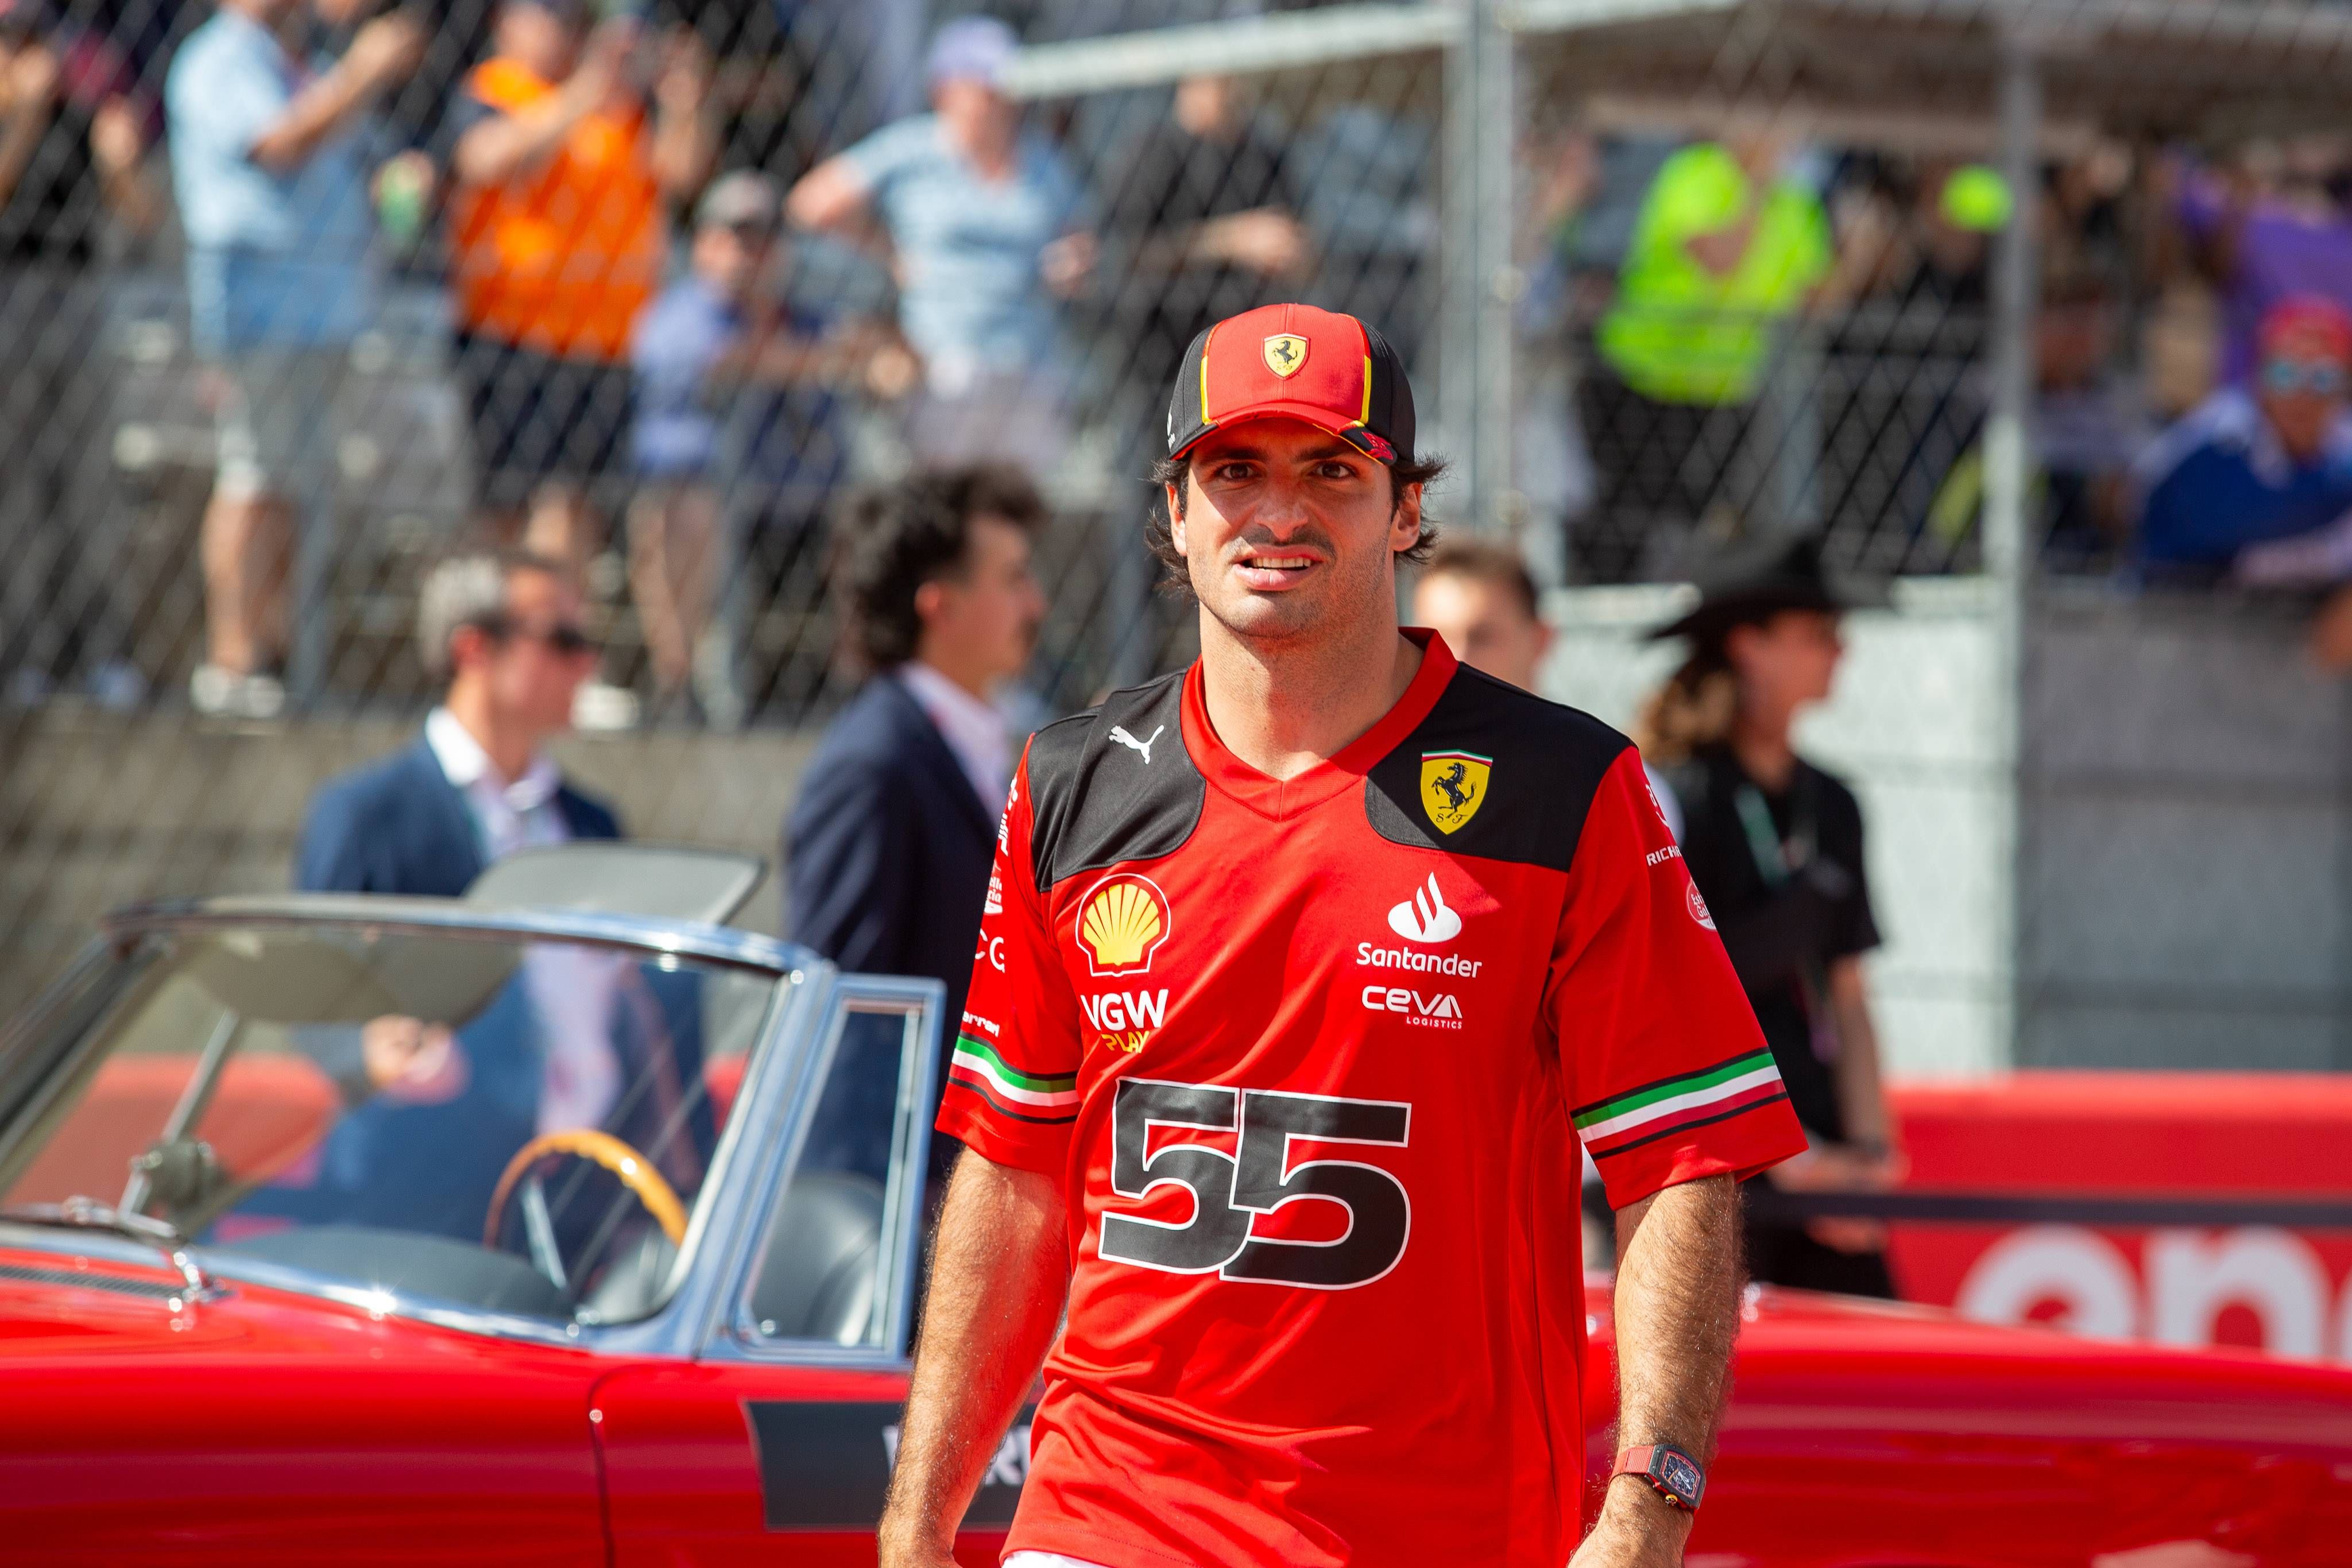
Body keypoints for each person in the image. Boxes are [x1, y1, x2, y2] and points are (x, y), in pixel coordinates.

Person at [878, 303, 1806, 1568]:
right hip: (1110, 1516)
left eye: (1331, 472)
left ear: (1407, 511)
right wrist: (916, 1519)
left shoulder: (1565, 790)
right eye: (1233, 471)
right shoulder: (1070, 783)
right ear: (1175, 511)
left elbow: (1677, 1163)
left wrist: (1648, 1505)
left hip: (1441, 1533)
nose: (1278, 512)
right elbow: (1014, 1173)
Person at [1634, 532, 1897, 1299]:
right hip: (1706, 1163)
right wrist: (1792, 1157)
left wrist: (1869, 1158)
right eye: (1819, 631)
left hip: (1821, 1168)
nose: (1841, 650)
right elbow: (1662, 1002)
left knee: (1876, 1353)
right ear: (1748, 645)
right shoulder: (1673, 796)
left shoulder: (1833, 802)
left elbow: (1848, 993)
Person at [444, 0, 713, 723]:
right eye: (549, 13)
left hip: (604, 340)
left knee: (576, 509)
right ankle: (509, 660)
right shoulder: (496, 89)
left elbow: (678, 175)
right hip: (514, 333)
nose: (564, 28)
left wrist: (684, 102)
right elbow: (485, 160)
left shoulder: (616, 105)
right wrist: (588, 90)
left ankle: (554, 662)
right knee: (512, 515)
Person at [783, 466, 1045, 1178]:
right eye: (1013, 578)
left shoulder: (970, 742)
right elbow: (842, 1011)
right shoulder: (873, 764)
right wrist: (861, 1213)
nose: (1036, 602)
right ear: (941, 606)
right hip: (899, 1186)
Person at [165, 0, 424, 717]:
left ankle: (274, 657)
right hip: (258, 312)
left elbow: (354, 154)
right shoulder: (217, 59)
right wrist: (363, 73)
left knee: (293, 484)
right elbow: (277, 143)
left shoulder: (302, 62)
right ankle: (232, 661)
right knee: (253, 475)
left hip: (325, 311)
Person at [629, 169, 912, 720]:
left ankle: (859, 692)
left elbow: (882, 359)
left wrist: (867, 358)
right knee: (681, 513)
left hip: (807, 501)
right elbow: (725, 358)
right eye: (736, 238)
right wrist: (825, 359)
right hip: (714, 499)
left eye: (764, 239)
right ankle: (679, 689)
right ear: (704, 244)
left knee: (879, 517)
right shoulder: (679, 311)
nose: (751, 254)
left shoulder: (803, 314)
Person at [787, 16, 1092, 475]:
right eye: (985, 85)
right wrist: (888, 250)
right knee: (947, 495)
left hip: (1030, 356)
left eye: (1005, 86)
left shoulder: (1042, 159)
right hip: (943, 356)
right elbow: (812, 203)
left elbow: (1081, 235)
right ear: (946, 90)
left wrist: (1074, 263)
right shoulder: (914, 149)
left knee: (1020, 497)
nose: (1000, 97)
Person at [1581, 124, 1833, 580]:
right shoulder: (1696, 171)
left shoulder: (1797, 200)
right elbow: (1719, 261)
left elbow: (1818, 299)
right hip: (1642, 376)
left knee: (1702, 519)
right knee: (1629, 515)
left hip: (1723, 390)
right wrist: (1757, 191)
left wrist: (1862, 250)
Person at [0, 0, 160, 704]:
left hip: (79, 295)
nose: (29, 52)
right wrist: (25, 117)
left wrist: (120, 164)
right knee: (16, 485)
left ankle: (98, 652)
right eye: (12, 37)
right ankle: (20, 655)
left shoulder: (88, 90)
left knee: (89, 483)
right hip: (9, 295)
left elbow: (142, 215)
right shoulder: (22, 101)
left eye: (35, 35)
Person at [296, 547, 616, 896]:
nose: (587, 662)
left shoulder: (595, 827)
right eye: (563, 640)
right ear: (472, 649)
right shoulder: (363, 819)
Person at [1097, 72, 1309, 408]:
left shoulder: (1262, 153)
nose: (1234, 89)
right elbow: (1129, 252)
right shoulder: (1154, 152)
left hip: (1252, 350)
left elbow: (1299, 243)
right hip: (1166, 353)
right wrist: (1233, 241)